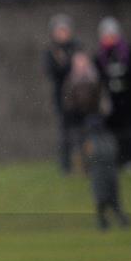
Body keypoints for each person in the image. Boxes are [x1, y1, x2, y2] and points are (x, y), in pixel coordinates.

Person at [95, 17, 131, 169]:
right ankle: (117, 159)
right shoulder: (100, 54)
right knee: (113, 130)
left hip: (128, 97)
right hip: (111, 98)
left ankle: (130, 159)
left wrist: (122, 73)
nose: (109, 38)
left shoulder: (128, 51)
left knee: (129, 129)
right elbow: (99, 76)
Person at [44, 14, 81, 174]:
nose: (62, 34)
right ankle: (66, 167)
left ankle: (83, 165)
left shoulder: (77, 48)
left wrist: (67, 65)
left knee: (82, 131)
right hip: (62, 97)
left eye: (64, 30)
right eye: (59, 30)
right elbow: (53, 72)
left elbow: (82, 69)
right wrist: (67, 66)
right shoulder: (51, 51)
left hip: (81, 96)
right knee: (64, 134)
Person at [83, 116, 129, 230]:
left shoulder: (95, 139)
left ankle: (107, 222)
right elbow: (113, 152)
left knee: (105, 199)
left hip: (102, 172)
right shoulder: (107, 138)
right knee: (108, 198)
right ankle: (115, 221)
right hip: (106, 172)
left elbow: (90, 156)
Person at [62, 51, 103, 172]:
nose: (81, 66)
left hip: (92, 114)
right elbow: (67, 99)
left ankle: (94, 165)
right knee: (77, 142)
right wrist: (73, 110)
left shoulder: (94, 77)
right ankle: (81, 168)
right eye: (78, 63)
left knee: (92, 142)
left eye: (83, 63)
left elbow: (99, 96)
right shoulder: (70, 79)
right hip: (75, 116)